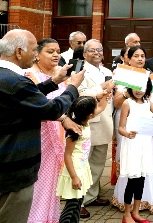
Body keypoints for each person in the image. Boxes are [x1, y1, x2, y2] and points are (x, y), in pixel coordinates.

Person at [0, 29, 84, 223]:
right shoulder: (17, 80)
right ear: (19, 52)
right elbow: (50, 110)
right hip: (14, 169)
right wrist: (72, 88)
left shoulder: (8, 78)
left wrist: (55, 81)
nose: (35, 54)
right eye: (33, 49)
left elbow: (24, 99)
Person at [24, 38, 75, 223]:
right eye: (50, 51)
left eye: (58, 51)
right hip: (40, 136)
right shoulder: (30, 77)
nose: (55, 55)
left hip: (60, 135)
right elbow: (38, 107)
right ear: (37, 55)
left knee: (53, 184)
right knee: (38, 184)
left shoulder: (62, 75)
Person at [112, 46, 153, 213]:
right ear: (128, 58)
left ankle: (147, 198)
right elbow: (117, 102)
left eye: (143, 56)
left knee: (146, 159)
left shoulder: (150, 76)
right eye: (136, 56)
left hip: (146, 124)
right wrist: (129, 91)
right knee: (129, 160)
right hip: (127, 121)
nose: (140, 59)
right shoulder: (122, 75)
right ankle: (125, 201)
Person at [118, 79, 153, 223]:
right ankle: (127, 214)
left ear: (147, 88)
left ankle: (136, 212)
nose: (139, 91)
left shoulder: (148, 103)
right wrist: (127, 134)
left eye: (142, 87)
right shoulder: (127, 103)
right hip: (132, 144)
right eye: (136, 87)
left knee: (141, 179)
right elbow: (121, 127)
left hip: (145, 145)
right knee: (132, 180)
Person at [56, 95, 109, 223]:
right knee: (71, 207)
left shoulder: (84, 120)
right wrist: (74, 177)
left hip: (82, 169)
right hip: (74, 172)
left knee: (78, 203)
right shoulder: (75, 130)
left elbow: (101, 106)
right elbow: (67, 155)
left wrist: (103, 95)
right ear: (90, 115)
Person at [78, 39, 114, 219]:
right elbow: (79, 93)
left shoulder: (107, 71)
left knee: (98, 163)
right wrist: (101, 87)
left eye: (99, 49)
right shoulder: (80, 71)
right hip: (89, 121)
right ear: (85, 54)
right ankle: (79, 202)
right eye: (92, 50)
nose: (97, 53)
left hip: (105, 121)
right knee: (83, 164)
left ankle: (91, 196)